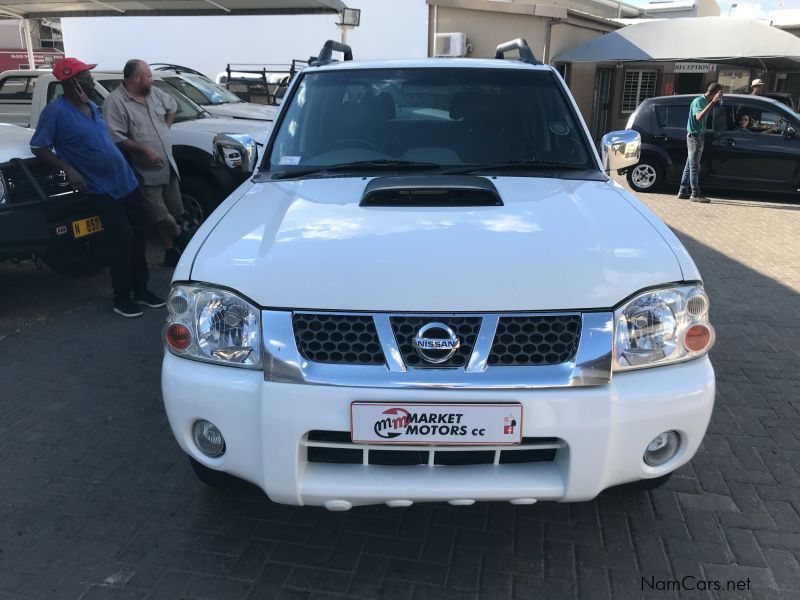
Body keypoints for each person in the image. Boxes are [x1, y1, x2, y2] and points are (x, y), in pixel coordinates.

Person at [30, 57, 164, 318]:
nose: (91, 84)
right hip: (101, 189)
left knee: (138, 235)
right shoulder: (55, 112)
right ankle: (121, 297)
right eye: (87, 80)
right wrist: (69, 170)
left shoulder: (91, 105)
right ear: (72, 83)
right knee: (122, 239)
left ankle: (142, 289)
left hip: (125, 181)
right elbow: (39, 147)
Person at [104, 59, 187, 267]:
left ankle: (170, 251)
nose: (151, 79)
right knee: (156, 212)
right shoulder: (115, 102)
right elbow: (115, 137)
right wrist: (144, 150)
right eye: (148, 76)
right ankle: (181, 236)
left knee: (172, 210)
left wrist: (166, 127)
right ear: (136, 77)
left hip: (167, 165)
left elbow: (172, 106)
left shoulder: (155, 93)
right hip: (144, 170)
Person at [677, 82, 723, 203]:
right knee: (694, 167)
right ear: (714, 93)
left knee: (689, 165)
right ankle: (695, 193)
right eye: (719, 94)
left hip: (700, 135)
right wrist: (713, 102)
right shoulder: (698, 101)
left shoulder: (706, 102)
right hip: (694, 137)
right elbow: (698, 117)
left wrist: (713, 103)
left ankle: (682, 190)